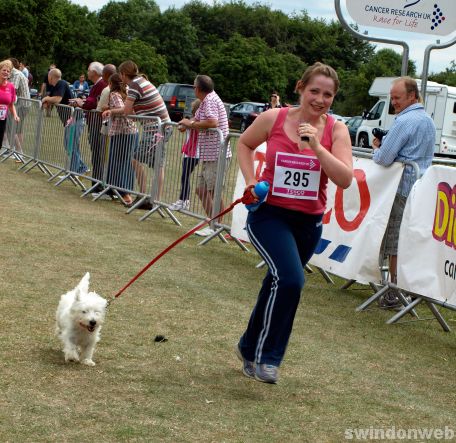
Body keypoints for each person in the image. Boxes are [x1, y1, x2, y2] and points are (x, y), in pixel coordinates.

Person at [235, 62, 353, 384]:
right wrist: (250, 180)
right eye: (314, 91)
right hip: (269, 213)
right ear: (300, 87)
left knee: (277, 282)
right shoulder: (274, 118)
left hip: (308, 223)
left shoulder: (336, 130)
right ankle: (267, 357)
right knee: (291, 280)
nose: (320, 99)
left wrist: (316, 146)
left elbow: (344, 179)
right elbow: (244, 144)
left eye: (328, 94)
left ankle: (247, 346)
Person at [372, 76, 435, 308]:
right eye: (392, 97)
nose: (394, 102)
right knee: (409, 240)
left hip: (401, 188)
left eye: (397, 98)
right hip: (421, 189)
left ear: (412, 96)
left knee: (394, 240)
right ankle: (404, 289)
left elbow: (385, 158)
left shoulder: (404, 121)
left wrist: (377, 148)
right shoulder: (427, 120)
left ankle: (394, 291)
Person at [109, 60, 170, 210]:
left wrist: (112, 111)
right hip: (160, 127)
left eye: (121, 74)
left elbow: (127, 111)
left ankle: (150, 199)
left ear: (123, 74)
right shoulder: (140, 81)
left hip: (156, 129)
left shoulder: (134, 85)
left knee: (138, 160)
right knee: (153, 163)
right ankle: (150, 198)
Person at [178, 74, 230, 236]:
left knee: (214, 191)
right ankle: (212, 221)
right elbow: (199, 118)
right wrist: (187, 124)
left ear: (199, 88)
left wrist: (190, 124)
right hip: (209, 154)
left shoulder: (210, 100)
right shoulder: (207, 101)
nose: (193, 88)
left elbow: (212, 122)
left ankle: (217, 226)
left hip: (216, 153)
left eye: (194, 86)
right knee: (201, 190)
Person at [42, 68, 88, 174]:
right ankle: (81, 167)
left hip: (75, 118)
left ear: (50, 77)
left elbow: (57, 99)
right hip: (70, 120)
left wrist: (46, 99)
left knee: (70, 144)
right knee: (69, 144)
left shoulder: (61, 83)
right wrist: (47, 100)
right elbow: (48, 104)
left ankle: (74, 171)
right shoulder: (55, 87)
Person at [102, 73, 137, 205]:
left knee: (118, 162)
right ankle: (119, 190)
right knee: (125, 161)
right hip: (130, 131)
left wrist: (111, 111)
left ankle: (124, 194)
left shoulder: (114, 94)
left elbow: (122, 109)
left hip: (121, 132)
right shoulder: (127, 93)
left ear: (111, 84)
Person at [73, 62, 107, 189]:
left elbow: (93, 103)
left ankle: (98, 184)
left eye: (89, 70)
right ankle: (96, 183)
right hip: (93, 122)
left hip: (97, 124)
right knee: (95, 153)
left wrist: (82, 103)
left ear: (94, 72)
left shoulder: (101, 84)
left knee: (98, 154)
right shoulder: (97, 85)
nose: (87, 72)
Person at [170, 98, 201, 211]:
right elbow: (181, 128)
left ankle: (184, 200)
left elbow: (183, 125)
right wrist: (184, 122)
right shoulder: (192, 121)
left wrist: (186, 122)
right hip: (189, 153)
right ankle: (183, 199)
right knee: (185, 176)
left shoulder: (196, 122)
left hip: (194, 153)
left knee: (185, 176)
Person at [8, 58, 30, 159]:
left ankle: (18, 152)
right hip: (22, 104)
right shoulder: (12, 74)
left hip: (23, 104)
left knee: (14, 128)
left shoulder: (16, 74)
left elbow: (12, 90)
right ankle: (17, 151)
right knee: (18, 129)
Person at [0, 60, 20, 150]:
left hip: (2, 118)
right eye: (4, 70)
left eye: (8, 71)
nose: (6, 72)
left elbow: (11, 104)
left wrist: (15, 115)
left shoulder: (11, 87)